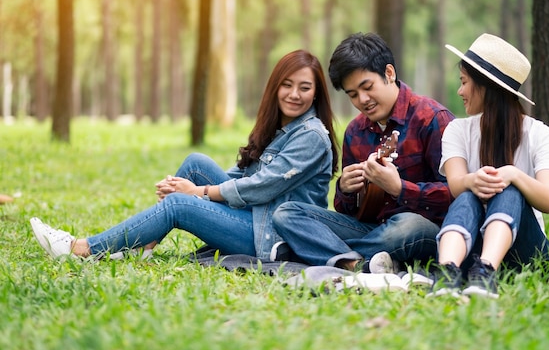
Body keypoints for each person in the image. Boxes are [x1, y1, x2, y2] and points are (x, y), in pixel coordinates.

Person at [30, 49, 340, 261]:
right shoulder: (277, 127)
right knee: (196, 164)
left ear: (316, 93)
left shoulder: (310, 136)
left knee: (179, 204)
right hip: (257, 216)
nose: (294, 95)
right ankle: (145, 243)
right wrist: (190, 184)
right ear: (275, 87)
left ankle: (81, 248)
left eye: (304, 87)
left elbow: (263, 186)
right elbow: (244, 176)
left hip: (274, 237)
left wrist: (196, 193)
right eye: (287, 85)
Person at [272, 32, 454, 275]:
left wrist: (400, 189)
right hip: (370, 229)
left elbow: (457, 195)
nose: (363, 100)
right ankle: (359, 264)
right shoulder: (355, 130)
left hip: (422, 231)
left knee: (407, 225)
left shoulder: (431, 118)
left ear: (389, 73)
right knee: (287, 212)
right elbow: (349, 214)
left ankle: (317, 252)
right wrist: (346, 190)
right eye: (353, 94)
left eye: (367, 87)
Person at [430, 33, 549, 299]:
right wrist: (473, 180)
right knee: (468, 195)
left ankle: (487, 272)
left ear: (486, 87)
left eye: (464, 82)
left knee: (510, 189)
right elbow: (456, 186)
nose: (460, 91)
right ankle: (446, 272)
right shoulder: (457, 130)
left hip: (528, 254)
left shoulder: (543, 135)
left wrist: (513, 174)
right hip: (471, 249)